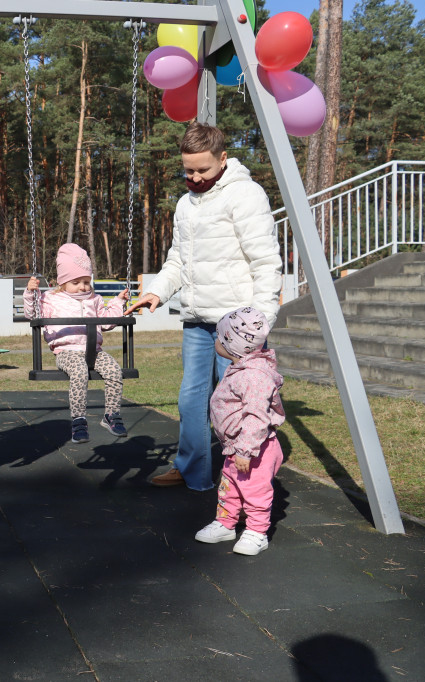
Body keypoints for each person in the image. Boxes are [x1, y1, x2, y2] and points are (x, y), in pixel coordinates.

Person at [126, 122, 282, 491]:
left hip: (236, 325)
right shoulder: (186, 204)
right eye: (188, 170)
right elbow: (178, 260)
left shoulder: (246, 196)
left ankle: (245, 477)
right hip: (197, 319)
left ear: (223, 159)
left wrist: (258, 322)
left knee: (239, 403)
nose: (194, 177)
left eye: (202, 170)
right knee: (190, 399)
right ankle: (193, 469)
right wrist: (157, 292)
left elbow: (266, 262)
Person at [194, 307, 284, 555]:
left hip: (255, 448)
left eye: (221, 338)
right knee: (230, 488)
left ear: (233, 346)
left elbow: (256, 416)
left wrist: (246, 450)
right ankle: (225, 523)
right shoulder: (241, 367)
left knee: (255, 491)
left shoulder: (254, 376)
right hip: (237, 446)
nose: (217, 341)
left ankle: (257, 532)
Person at [23, 243, 130, 444]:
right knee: (80, 372)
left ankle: (111, 415)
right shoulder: (50, 299)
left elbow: (107, 322)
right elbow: (32, 314)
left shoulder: (95, 299)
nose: (82, 286)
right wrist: (31, 294)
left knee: (115, 371)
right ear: (62, 282)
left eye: (86, 281)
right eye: (76, 282)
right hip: (67, 352)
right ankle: (79, 420)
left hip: (94, 350)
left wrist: (118, 302)